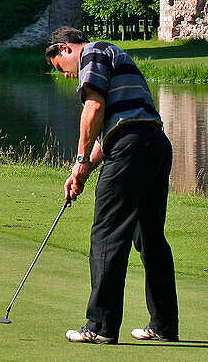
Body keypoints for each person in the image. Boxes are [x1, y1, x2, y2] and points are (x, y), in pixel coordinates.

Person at [45, 26, 179, 344]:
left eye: (59, 67)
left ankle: (101, 327)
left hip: (131, 146)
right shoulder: (114, 55)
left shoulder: (92, 52)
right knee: (149, 238)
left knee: (107, 234)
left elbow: (94, 108)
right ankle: (163, 325)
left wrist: (78, 159)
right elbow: (111, 130)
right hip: (154, 143)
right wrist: (84, 170)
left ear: (65, 48)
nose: (65, 76)